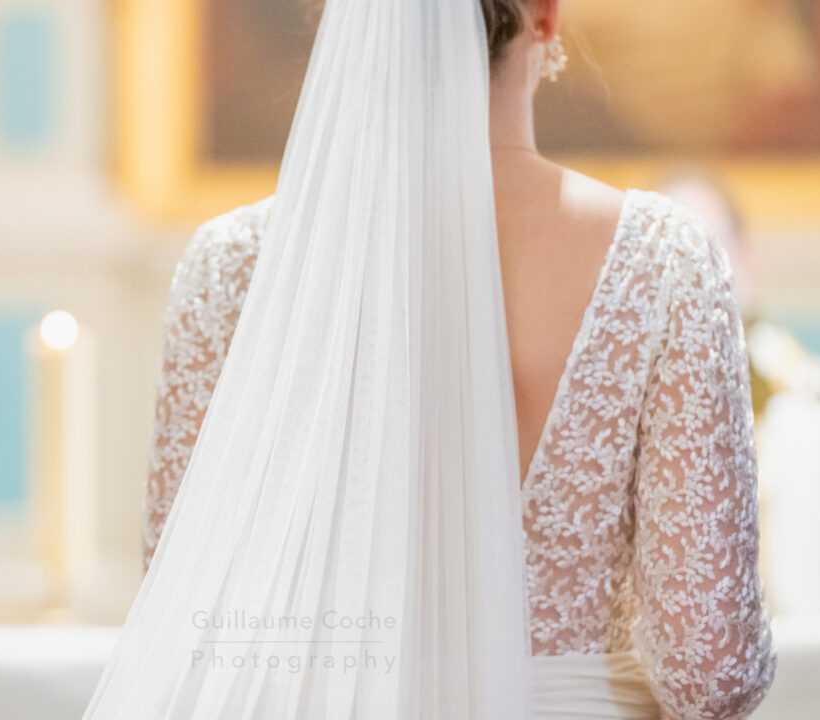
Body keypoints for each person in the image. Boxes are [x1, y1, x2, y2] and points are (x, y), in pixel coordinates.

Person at [91, 0, 777, 717]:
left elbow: (186, 627)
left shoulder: (229, 267)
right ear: (543, 15)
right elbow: (711, 671)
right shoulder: (660, 258)